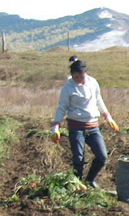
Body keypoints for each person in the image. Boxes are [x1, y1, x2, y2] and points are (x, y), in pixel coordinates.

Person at [51, 59, 118, 188]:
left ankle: (89, 180)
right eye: (75, 77)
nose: (78, 79)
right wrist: (55, 126)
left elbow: (99, 100)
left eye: (81, 76)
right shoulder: (68, 88)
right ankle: (76, 185)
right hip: (76, 126)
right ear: (72, 75)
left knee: (102, 156)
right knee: (78, 159)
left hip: (93, 126)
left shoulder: (93, 83)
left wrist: (108, 117)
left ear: (85, 73)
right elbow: (61, 107)